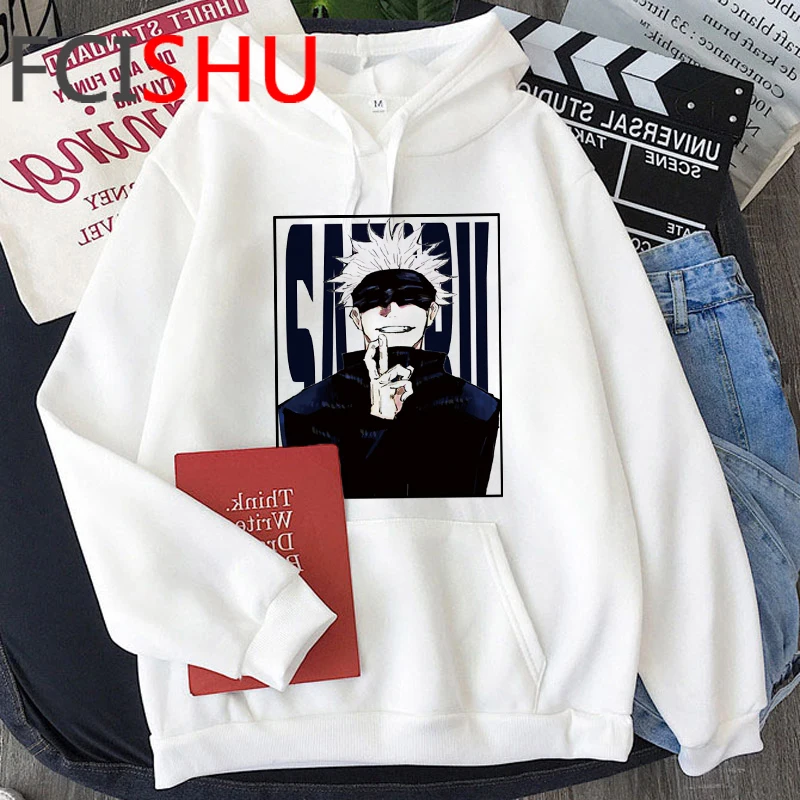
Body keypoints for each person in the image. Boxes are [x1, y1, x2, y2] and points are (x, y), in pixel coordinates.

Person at [278, 221, 500, 498]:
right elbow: (322, 505)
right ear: (356, 317)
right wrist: (378, 421)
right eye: (374, 300)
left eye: (409, 297)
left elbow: (463, 497)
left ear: (431, 312)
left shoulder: (478, 408)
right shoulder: (303, 412)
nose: (391, 310)